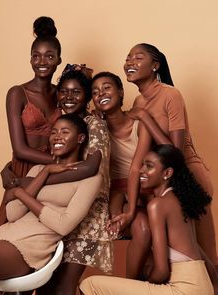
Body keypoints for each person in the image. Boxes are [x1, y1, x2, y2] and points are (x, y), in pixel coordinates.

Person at [0, 114, 103, 295]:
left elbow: (63, 225)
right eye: (54, 132)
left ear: (80, 138)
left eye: (64, 131)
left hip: (27, 250)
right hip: (0, 241)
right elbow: (14, 214)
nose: (57, 136)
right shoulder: (38, 170)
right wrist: (45, 172)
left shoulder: (91, 179)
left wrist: (20, 192)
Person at [124, 43, 218, 266]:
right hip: (165, 182)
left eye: (138, 58)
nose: (130, 62)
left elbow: (176, 153)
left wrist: (145, 117)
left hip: (188, 177)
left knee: (206, 256)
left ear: (155, 65)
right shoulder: (139, 101)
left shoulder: (171, 94)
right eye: (128, 58)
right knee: (182, 258)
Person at [80, 144, 215, 295]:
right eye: (142, 164)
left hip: (184, 289)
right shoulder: (179, 201)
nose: (141, 170)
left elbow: (162, 272)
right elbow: (203, 258)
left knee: (89, 285)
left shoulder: (157, 205)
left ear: (167, 173)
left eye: (149, 166)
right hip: (203, 286)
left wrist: (143, 284)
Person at [36, 68, 112, 295]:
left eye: (76, 92)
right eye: (64, 92)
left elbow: (90, 168)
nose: (69, 97)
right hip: (61, 208)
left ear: (88, 97)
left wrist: (39, 181)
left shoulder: (94, 125)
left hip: (88, 212)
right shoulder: (60, 126)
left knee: (65, 286)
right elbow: (45, 157)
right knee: (45, 283)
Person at [0, 16, 62, 229]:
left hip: (53, 174)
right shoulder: (17, 93)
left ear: (59, 60)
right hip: (26, 170)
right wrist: (58, 163)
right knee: (11, 231)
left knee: (49, 232)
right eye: (36, 56)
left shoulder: (62, 94)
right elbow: (20, 148)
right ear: (30, 59)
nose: (42, 62)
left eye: (49, 56)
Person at [91, 71, 152, 278]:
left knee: (157, 226)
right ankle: (130, 286)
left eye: (107, 87)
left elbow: (136, 168)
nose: (101, 93)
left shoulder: (140, 124)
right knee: (142, 229)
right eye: (95, 92)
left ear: (121, 91)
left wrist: (132, 209)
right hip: (118, 195)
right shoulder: (96, 130)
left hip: (145, 189)